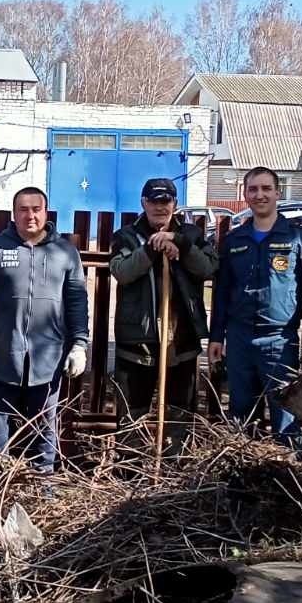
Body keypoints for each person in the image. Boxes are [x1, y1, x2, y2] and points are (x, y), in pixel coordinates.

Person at [0, 186, 89, 479]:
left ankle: (42, 485)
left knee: (44, 427)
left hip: (48, 360)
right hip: (2, 356)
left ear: (46, 212)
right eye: (23, 209)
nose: (30, 215)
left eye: (36, 209)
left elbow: (77, 301)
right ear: (14, 213)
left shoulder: (65, 252)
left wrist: (79, 345)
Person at [208, 167, 302, 450]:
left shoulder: (298, 238)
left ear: (277, 193)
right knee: (241, 419)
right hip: (239, 339)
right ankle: (241, 485)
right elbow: (222, 292)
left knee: (285, 419)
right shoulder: (234, 240)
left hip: (280, 340)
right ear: (245, 194)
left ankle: (288, 483)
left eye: (265, 189)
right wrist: (216, 337)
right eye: (253, 189)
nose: (259, 195)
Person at [107, 177, 218, 425]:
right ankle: (130, 463)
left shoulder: (191, 234)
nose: (160, 206)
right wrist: (152, 248)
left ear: (175, 203)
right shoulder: (126, 236)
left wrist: (181, 244)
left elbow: (208, 268)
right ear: (144, 202)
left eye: (166, 200)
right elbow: (122, 272)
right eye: (154, 201)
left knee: (179, 419)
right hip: (138, 345)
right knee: (132, 420)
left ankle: (174, 463)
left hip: (182, 342)